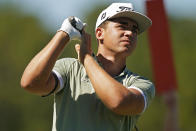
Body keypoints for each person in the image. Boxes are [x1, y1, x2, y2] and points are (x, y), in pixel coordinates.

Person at [21, 2, 155, 131]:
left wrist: (87, 60)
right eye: (122, 26)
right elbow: (30, 83)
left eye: (134, 30)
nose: (130, 33)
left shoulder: (141, 83)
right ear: (99, 33)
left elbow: (118, 102)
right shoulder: (70, 68)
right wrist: (64, 34)